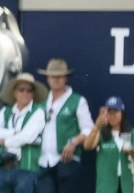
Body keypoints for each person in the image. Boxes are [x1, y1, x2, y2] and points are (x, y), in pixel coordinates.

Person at [35, 59, 94, 193]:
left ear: (66, 78)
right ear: (47, 79)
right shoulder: (42, 102)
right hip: (43, 161)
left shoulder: (77, 100)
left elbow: (89, 129)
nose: (56, 80)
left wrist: (74, 141)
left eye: (59, 76)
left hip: (67, 160)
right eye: (52, 76)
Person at [0, 73, 47, 193]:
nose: (25, 93)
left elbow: (27, 136)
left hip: (25, 169)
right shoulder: (6, 111)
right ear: (15, 92)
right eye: (21, 89)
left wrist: (6, 141)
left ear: (33, 94)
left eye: (29, 90)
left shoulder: (38, 112)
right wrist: (13, 133)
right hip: (4, 167)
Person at [84, 96, 134, 193]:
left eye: (115, 112)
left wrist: (132, 152)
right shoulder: (100, 133)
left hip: (127, 186)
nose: (112, 115)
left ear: (122, 113)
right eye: (109, 112)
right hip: (107, 186)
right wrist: (96, 127)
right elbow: (88, 146)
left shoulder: (132, 133)